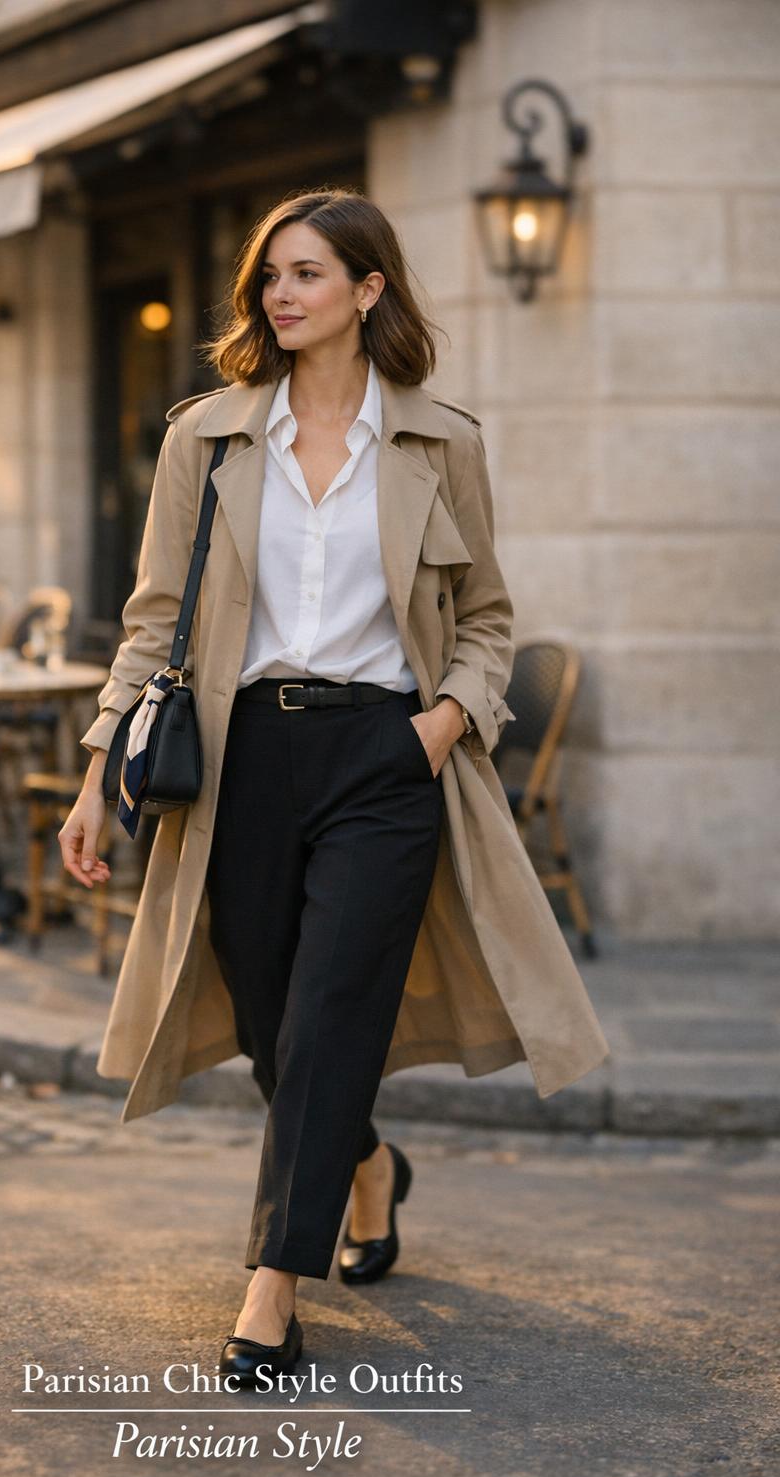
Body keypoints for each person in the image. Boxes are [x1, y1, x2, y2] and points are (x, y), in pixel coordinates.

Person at [59, 188, 606, 1386]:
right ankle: (366, 1164)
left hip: (382, 760)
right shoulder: (206, 439)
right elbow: (153, 619)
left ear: (368, 290)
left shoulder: (438, 442)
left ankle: (272, 1284)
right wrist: (98, 771)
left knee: (332, 1012)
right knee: (270, 1017)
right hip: (240, 758)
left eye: (306, 273)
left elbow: (486, 617)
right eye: (270, 275)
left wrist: (441, 726)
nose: (279, 294)